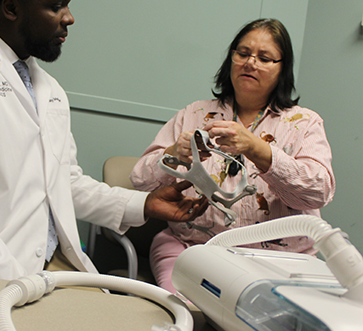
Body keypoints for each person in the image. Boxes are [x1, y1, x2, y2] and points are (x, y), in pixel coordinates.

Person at [0, 0, 208, 280]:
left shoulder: (48, 89)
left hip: (53, 262)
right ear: (11, 8)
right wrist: (15, 282)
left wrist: (145, 204)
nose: (69, 17)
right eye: (56, 5)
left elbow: (67, 184)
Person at [130, 19, 334, 293]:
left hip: (280, 263)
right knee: (192, 314)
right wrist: (173, 155)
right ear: (231, 59)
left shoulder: (304, 123)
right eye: (243, 53)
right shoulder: (194, 114)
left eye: (264, 58)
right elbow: (139, 181)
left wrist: (258, 149)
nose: (250, 63)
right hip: (194, 250)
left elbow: (317, 192)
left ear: (282, 68)